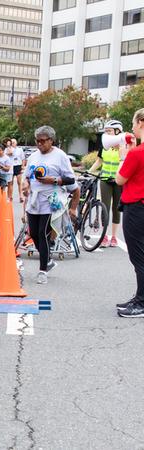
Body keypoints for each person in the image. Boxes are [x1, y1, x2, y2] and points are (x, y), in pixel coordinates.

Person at [21, 125, 79, 285]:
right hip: (34, 200)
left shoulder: (60, 156)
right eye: (37, 141)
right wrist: (25, 184)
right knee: (33, 234)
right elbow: (26, 176)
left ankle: (42, 271)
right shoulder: (33, 156)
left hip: (51, 200)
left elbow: (71, 180)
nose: (39, 144)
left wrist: (53, 180)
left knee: (43, 234)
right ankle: (47, 261)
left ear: (51, 140)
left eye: (43, 141)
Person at [115, 108, 144, 317]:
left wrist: (123, 156)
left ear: (141, 122)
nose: (132, 127)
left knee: (139, 257)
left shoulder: (136, 153)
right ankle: (140, 297)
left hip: (137, 208)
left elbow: (119, 179)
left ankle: (141, 302)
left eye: (134, 123)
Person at [89, 120, 126, 247]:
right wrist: (89, 172)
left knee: (116, 208)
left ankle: (114, 237)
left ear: (118, 131)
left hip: (118, 181)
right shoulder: (104, 146)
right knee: (105, 207)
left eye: (109, 131)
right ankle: (104, 236)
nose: (107, 133)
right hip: (105, 180)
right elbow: (99, 162)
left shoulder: (123, 146)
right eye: (106, 131)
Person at [7, 138, 26, 202]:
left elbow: (23, 159)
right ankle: (10, 197)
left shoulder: (20, 150)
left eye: (13, 142)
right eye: (11, 142)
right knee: (11, 183)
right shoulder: (8, 149)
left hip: (18, 166)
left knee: (19, 182)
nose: (12, 143)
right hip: (11, 166)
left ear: (16, 143)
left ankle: (21, 196)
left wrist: (23, 166)